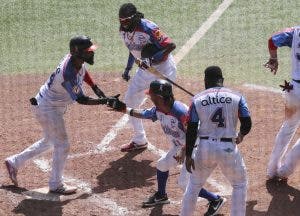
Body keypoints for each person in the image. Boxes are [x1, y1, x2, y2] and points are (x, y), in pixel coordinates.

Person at [4, 35, 115, 195]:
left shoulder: (76, 61)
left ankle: (14, 162)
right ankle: (55, 184)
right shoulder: (67, 72)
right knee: (62, 144)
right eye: (88, 51)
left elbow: (84, 73)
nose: (91, 54)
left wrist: (97, 90)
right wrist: (105, 101)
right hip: (48, 109)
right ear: (77, 53)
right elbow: (82, 99)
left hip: (46, 105)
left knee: (49, 141)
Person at [109, 79, 225, 215]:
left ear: (159, 97)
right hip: (181, 147)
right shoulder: (159, 109)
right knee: (162, 165)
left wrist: (184, 151)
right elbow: (144, 114)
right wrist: (124, 109)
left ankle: (215, 199)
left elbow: (195, 133)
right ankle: (161, 195)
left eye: (151, 95)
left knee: (183, 183)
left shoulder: (180, 111)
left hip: (196, 148)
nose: (150, 97)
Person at [180, 66, 252, 216]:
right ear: (222, 80)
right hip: (228, 148)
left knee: (193, 186)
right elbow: (247, 123)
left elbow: (192, 129)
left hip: (205, 148)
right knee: (239, 184)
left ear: (205, 81)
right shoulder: (237, 97)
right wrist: (241, 135)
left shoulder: (197, 99)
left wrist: (188, 155)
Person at [118, 3, 177, 152]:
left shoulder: (148, 28)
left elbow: (170, 45)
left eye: (125, 21)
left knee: (165, 108)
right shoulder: (123, 31)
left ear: (133, 18)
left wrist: (153, 59)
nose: (122, 24)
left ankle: (181, 143)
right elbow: (133, 50)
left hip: (163, 70)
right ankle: (140, 140)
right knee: (130, 101)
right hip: (144, 71)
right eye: (120, 21)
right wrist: (128, 68)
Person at [265, 26, 300, 182]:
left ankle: (272, 169)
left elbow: (272, 41)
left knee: (287, 128)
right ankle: (284, 171)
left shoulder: (296, 31)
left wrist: (273, 59)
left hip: (294, 90)